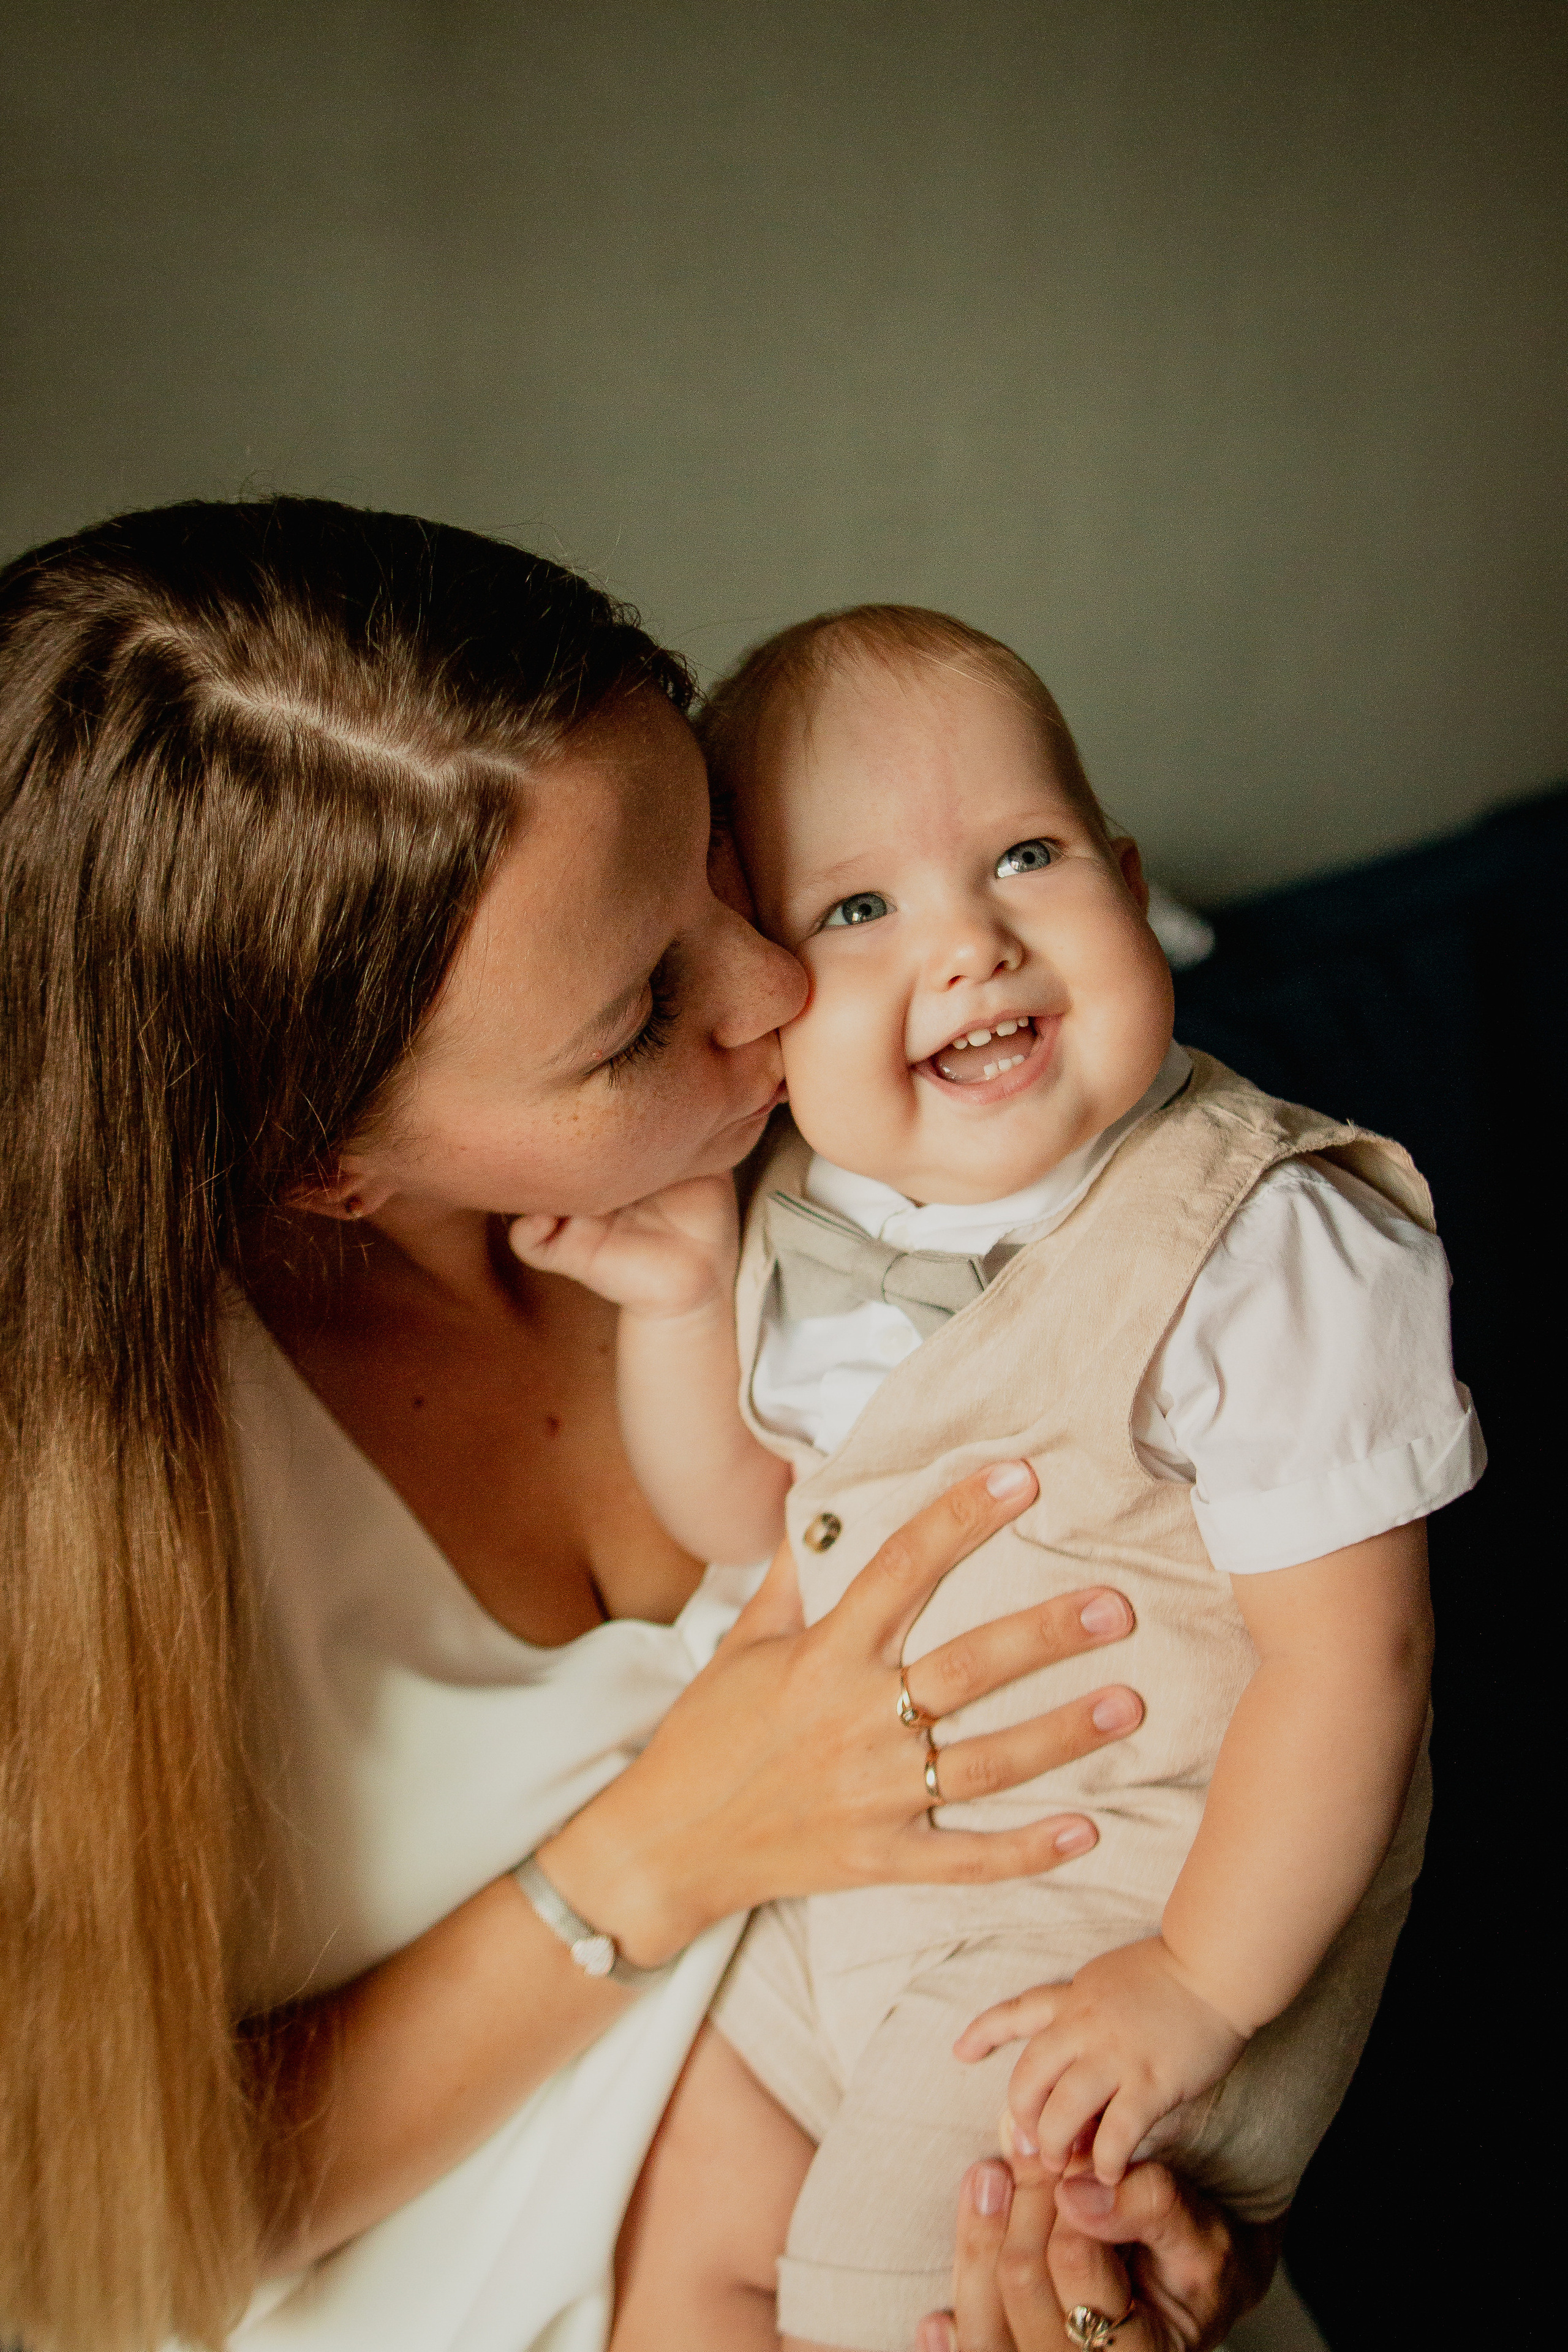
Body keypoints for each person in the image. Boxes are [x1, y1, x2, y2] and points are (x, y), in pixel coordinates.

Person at [0, 505, 1280, 2352]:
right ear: (325, 1163)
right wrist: (665, 1845)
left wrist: (1167, 2210)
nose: (775, 993)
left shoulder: (910, 1128)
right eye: (637, 1020)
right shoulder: (92, 1488)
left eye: (724, 873)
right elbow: (93, 2241)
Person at [517, 605, 1482, 2351]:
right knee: (673, 2228)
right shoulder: (803, 1195)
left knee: (891, 2301)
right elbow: (748, 1518)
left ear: (1128, 883)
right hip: (857, 1892)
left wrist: (1195, 1989)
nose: (969, 943)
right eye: (857, 908)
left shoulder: (1266, 1242)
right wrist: (677, 1299)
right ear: (760, 995)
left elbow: (1362, 1668)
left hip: (1147, 1906)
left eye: (1028, 857)